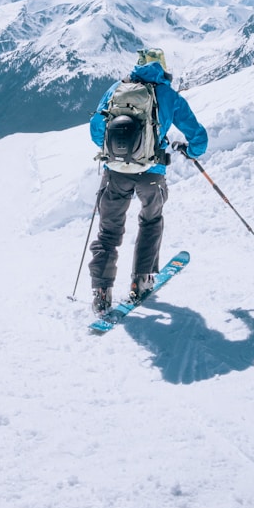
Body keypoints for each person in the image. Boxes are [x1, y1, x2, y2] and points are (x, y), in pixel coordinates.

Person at [88, 47, 208, 315]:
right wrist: (191, 151)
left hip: (115, 173)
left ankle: (101, 291)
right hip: (152, 174)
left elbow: (96, 129)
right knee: (151, 221)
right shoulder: (168, 95)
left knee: (108, 231)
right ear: (162, 68)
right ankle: (141, 280)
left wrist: (116, 154)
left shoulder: (117, 89)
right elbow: (199, 136)